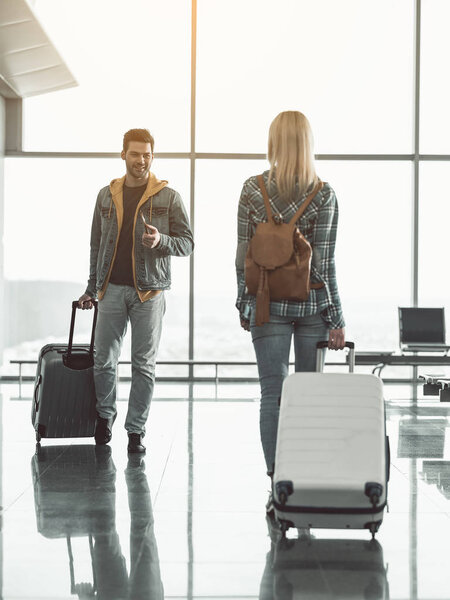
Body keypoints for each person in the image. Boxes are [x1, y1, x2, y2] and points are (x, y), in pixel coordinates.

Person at [235, 111, 345, 492]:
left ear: (273, 143)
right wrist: (336, 318)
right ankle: (304, 472)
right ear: (308, 144)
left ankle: (276, 479)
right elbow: (325, 264)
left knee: (272, 393)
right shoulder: (324, 194)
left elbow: (241, 255)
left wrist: (244, 304)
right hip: (312, 308)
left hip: (267, 305)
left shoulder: (253, 189)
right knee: (309, 396)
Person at [79, 128, 194, 454]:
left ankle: (136, 431)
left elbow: (187, 243)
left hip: (150, 294)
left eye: (146, 154)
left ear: (151, 156)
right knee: (103, 361)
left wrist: (162, 241)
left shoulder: (168, 197)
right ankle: (105, 417)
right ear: (123, 155)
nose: (141, 160)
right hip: (111, 291)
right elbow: (96, 245)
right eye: (135, 154)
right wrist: (92, 287)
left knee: (144, 366)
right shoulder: (106, 195)